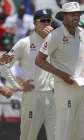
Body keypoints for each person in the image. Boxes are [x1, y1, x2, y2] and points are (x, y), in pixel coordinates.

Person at [35, 2, 84, 140]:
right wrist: (63, 76)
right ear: (64, 16)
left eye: (78, 14)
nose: (76, 17)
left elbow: (83, 55)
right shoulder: (55, 35)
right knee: (64, 127)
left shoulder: (81, 32)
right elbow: (39, 60)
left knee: (79, 127)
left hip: (81, 85)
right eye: (72, 14)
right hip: (64, 86)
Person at [2, 9, 56, 140]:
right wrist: (18, 85)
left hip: (54, 97)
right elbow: (3, 65)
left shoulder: (57, 41)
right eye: (42, 21)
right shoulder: (24, 43)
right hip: (32, 96)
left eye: (48, 20)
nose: (46, 24)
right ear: (34, 23)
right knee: (28, 137)